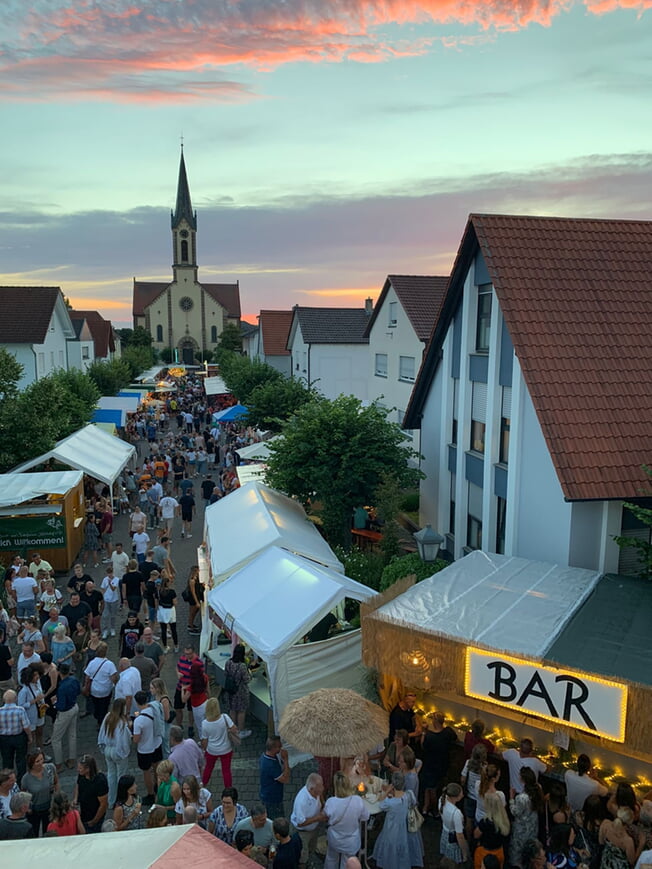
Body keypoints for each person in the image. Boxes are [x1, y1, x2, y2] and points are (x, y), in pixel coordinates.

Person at [372, 770, 424, 869]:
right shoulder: (409, 794)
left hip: (392, 828)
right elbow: (412, 802)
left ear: (393, 784)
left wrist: (387, 791)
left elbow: (380, 803)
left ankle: (391, 864)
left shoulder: (390, 803)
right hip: (405, 826)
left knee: (392, 846)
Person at [323, 772, 370, 869]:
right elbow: (366, 817)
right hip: (350, 842)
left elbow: (326, 817)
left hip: (334, 839)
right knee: (347, 863)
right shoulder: (357, 800)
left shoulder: (330, 802)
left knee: (331, 859)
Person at [421, 711, 457, 816]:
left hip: (431, 765)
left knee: (431, 788)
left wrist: (424, 731)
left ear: (434, 722)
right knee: (432, 787)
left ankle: (435, 810)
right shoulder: (448, 732)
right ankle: (426, 806)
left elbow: (423, 746)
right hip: (443, 764)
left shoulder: (430, 736)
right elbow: (455, 739)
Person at [98, 698, 132, 808]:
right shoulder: (122, 723)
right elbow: (124, 740)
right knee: (121, 776)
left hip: (108, 749)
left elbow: (102, 733)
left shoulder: (108, 717)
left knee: (111, 775)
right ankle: (120, 799)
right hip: (118, 751)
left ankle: (111, 800)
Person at [510, 767, 545, 868]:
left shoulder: (522, 798)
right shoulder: (538, 788)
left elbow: (515, 812)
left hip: (521, 829)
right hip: (533, 824)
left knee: (518, 850)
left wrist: (511, 798)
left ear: (522, 779)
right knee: (530, 849)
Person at [133, 690, 163, 804]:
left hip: (145, 749)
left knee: (147, 772)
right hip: (157, 743)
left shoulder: (139, 720)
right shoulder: (154, 709)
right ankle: (159, 789)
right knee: (157, 769)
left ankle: (150, 794)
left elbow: (136, 739)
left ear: (137, 702)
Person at [201, 696, 238, 788]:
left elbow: (204, 740)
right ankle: (228, 789)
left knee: (208, 768)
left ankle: (203, 785)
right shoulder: (225, 717)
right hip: (226, 749)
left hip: (212, 750)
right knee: (226, 771)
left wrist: (205, 750)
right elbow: (234, 729)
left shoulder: (205, 723)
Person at [291, 773, 325, 867]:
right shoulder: (301, 801)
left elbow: (321, 794)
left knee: (312, 848)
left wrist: (323, 804)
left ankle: (309, 861)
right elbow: (300, 822)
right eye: (320, 787)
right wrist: (318, 818)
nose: (323, 788)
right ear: (311, 789)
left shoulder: (315, 791)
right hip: (303, 832)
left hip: (314, 828)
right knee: (303, 854)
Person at [83, 641, 118, 728]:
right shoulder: (110, 664)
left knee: (96, 705)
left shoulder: (92, 663)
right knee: (104, 706)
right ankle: (102, 720)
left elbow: (87, 677)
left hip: (94, 690)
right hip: (106, 690)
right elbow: (114, 678)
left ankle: (98, 717)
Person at [474, 790, 511, 869]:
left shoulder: (485, 822)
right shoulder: (504, 820)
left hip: (484, 852)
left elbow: (476, 835)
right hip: (499, 851)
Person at [0, 689, 31, 780]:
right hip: (19, 737)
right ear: (15, 698)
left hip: (4, 739)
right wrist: (29, 736)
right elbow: (26, 726)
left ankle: (8, 781)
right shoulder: (20, 710)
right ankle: (21, 781)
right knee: (21, 760)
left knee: (6, 760)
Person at [73, 753, 109, 833]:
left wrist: (94, 821)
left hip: (93, 816)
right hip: (83, 813)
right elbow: (78, 785)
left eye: (80, 768)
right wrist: (76, 798)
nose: (78, 770)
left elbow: (103, 805)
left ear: (88, 769)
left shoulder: (100, 781)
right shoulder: (81, 775)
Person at [225, 643, 252, 738]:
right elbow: (247, 679)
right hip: (240, 692)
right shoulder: (242, 666)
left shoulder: (228, 662)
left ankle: (233, 729)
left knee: (232, 710)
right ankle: (240, 731)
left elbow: (226, 674)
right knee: (241, 711)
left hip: (230, 690)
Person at [260, 735, 290, 820]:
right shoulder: (270, 765)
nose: (281, 748)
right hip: (272, 799)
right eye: (279, 746)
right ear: (274, 748)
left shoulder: (266, 756)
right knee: (277, 820)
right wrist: (286, 760)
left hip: (267, 793)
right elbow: (285, 779)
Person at [18, 664, 46, 753]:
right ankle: (30, 755)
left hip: (39, 713)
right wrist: (33, 701)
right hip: (30, 717)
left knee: (40, 733)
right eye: (35, 675)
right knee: (31, 737)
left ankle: (41, 752)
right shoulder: (24, 691)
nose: (37, 677)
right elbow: (21, 705)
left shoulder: (37, 684)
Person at [174, 644, 203, 729]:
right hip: (180, 687)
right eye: (186, 654)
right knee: (177, 708)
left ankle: (190, 726)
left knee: (191, 710)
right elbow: (177, 667)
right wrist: (178, 673)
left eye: (189, 654)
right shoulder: (182, 658)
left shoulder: (198, 663)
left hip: (192, 690)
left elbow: (201, 677)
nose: (187, 656)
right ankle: (179, 725)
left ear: (193, 652)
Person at [440, 782, 470, 863]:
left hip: (445, 832)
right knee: (453, 863)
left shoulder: (441, 800)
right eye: (461, 794)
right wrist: (464, 853)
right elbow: (459, 835)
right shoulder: (456, 813)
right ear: (455, 797)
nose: (462, 795)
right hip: (452, 839)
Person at [462, 743, 487, 835]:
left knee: (469, 821)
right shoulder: (485, 768)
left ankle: (468, 841)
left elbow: (463, 779)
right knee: (480, 821)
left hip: (469, 796)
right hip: (480, 798)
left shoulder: (468, 763)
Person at [182, 659, 208, 735]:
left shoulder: (191, 686)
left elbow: (184, 700)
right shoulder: (205, 677)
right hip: (205, 702)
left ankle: (203, 743)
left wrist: (182, 690)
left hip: (197, 706)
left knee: (200, 727)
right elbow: (207, 690)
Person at [151, 677, 173, 757]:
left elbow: (166, 717)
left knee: (165, 746)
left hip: (165, 726)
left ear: (158, 689)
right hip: (159, 724)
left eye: (152, 688)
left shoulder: (164, 700)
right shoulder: (154, 697)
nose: (151, 690)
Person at [157, 573, 178, 652]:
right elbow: (175, 602)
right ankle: (176, 646)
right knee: (173, 629)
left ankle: (165, 647)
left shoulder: (159, 591)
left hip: (162, 610)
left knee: (163, 629)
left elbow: (156, 601)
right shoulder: (172, 592)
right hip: (170, 610)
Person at [100, 567, 120, 639]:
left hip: (114, 599)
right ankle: (105, 630)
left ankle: (112, 628)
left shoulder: (117, 579)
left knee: (113, 615)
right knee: (105, 615)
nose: (109, 575)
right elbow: (102, 588)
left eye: (110, 573)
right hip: (106, 600)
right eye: (108, 573)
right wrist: (103, 595)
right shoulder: (105, 579)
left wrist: (110, 583)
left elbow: (113, 588)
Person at [186, 566, 204, 634]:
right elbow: (193, 592)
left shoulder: (196, 578)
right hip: (193, 599)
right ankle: (190, 626)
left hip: (197, 597)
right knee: (192, 613)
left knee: (195, 612)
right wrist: (196, 602)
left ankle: (191, 624)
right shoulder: (192, 580)